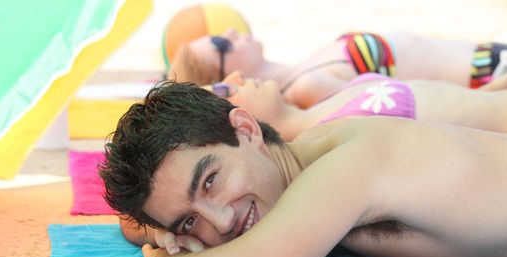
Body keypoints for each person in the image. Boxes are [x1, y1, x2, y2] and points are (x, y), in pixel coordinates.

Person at [99, 81, 507, 257]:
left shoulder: (351, 166)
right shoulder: (303, 158)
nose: (222, 222)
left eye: (210, 181)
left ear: (246, 130)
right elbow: (132, 225)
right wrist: (166, 231)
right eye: (191, 220)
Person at [168, 29, 507, 108]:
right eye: (221, 46)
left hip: (491, 63)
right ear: (222, 80)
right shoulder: (307, 88)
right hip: (491, 80)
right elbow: (410, 105)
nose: (229, 33)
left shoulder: (303, 69)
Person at [208, 70, 507, 140]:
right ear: (241, 128)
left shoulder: (317, 105)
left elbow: (457, 98)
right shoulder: (329, 138)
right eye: (225, 89)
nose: (235, 76)